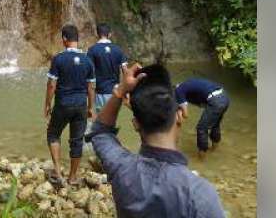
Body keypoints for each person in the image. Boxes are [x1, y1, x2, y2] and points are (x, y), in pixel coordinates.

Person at [86, 63, 225, 217]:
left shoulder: (120, 167)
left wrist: (120, 91)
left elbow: (100, 132)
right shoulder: (199, 194)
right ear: (179, 116)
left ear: (135, 124)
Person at [44, 24, 96, 187]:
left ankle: (58, 172)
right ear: (77, 39)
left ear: (64, 39)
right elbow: (91, 87)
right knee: (77, 141)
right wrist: (90, 107)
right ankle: (73, 177)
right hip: (81, 105)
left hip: (63, 104)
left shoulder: (59, 59)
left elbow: (51, 85)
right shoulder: (88, 60)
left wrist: (47, 104)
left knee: (53, 134)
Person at [174, 77, 230, 158]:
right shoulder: (188, 85)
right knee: (214, 124)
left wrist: (179, 118)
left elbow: (185, 115)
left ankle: (202, 157)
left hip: (215, 101)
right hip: (224, 97)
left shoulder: (178, 90)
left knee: (201, 128)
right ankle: (215, 149)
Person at [87, 23, 128, 113]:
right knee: (111, 120)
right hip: (115, 92)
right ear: (110, 34)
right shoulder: (118, 49)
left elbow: (89, 73)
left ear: (97, 34)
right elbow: (125, 71)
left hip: (100, 92)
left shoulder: (92, 50)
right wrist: (126, 91)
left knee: (100, 121)